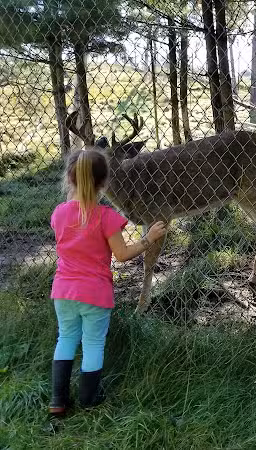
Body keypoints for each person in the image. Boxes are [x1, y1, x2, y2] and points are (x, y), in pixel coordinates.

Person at [49, 148, 167, 417]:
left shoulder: (59, 214)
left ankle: (58, 399)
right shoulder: (106, 218)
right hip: (94, 294)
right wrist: (148, 238)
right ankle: (89, 397)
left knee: (66, 338)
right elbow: (122, 254)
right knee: (92, 344)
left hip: (63, 292)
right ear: (104, 183)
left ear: (70, 179)